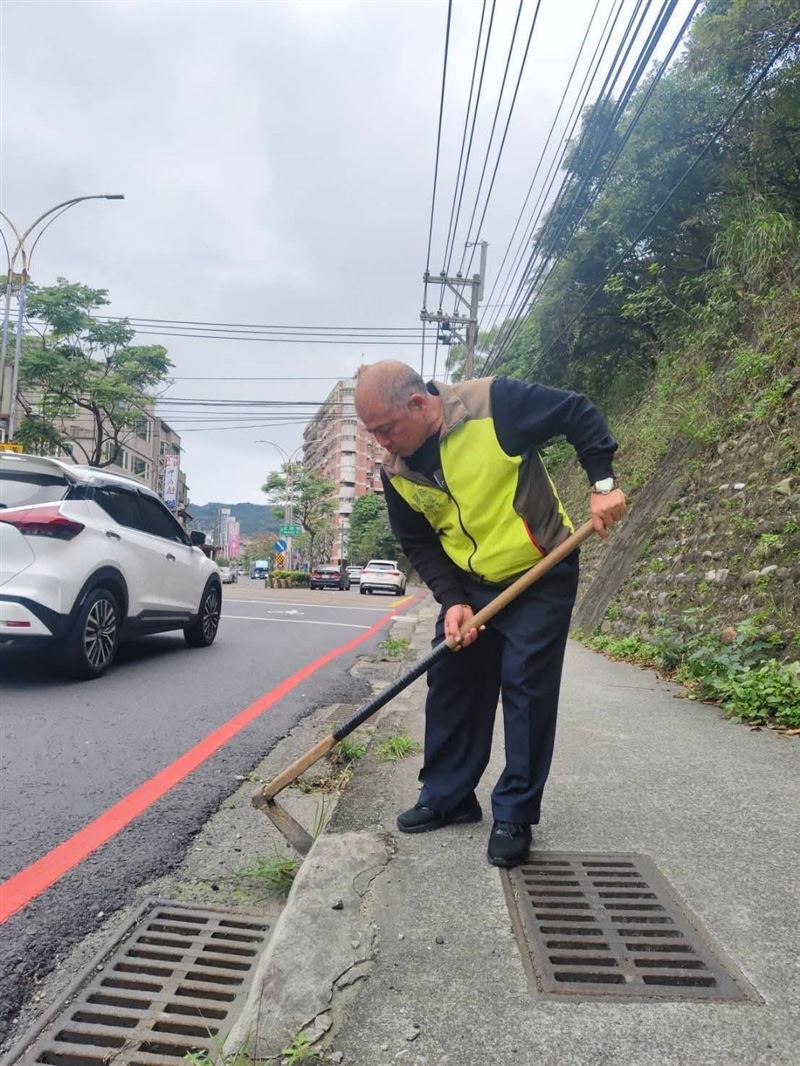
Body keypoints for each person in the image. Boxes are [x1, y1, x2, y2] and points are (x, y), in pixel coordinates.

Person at [354, 361, 626, 867]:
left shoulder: (492, 405)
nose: (382, 443)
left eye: (386, 429)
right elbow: (418, 541)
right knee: (451, 677)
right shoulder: (396, 470)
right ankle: (449, 796)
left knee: (526, 685)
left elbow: (576, 412)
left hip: (540, 568)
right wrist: (452, 600)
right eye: (372, 434)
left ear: (418, 403)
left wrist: (603, 483)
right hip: (470, 586)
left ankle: (515, 813)